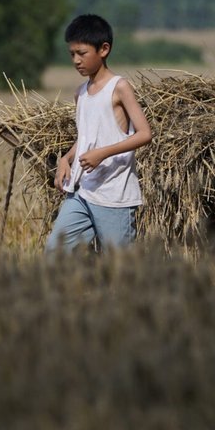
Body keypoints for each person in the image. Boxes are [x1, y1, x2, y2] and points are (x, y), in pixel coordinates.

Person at [47, 14, 153, 254]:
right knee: (54, 251)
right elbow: (86, 136)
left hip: (113, 195)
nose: (76, 60)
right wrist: (66, 159)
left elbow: (145, 134)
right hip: (81, 192)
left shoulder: (119, 87)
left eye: (82, 53)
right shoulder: (80, 93)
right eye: (72, 54)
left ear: (104, 49)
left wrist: (103, 153)